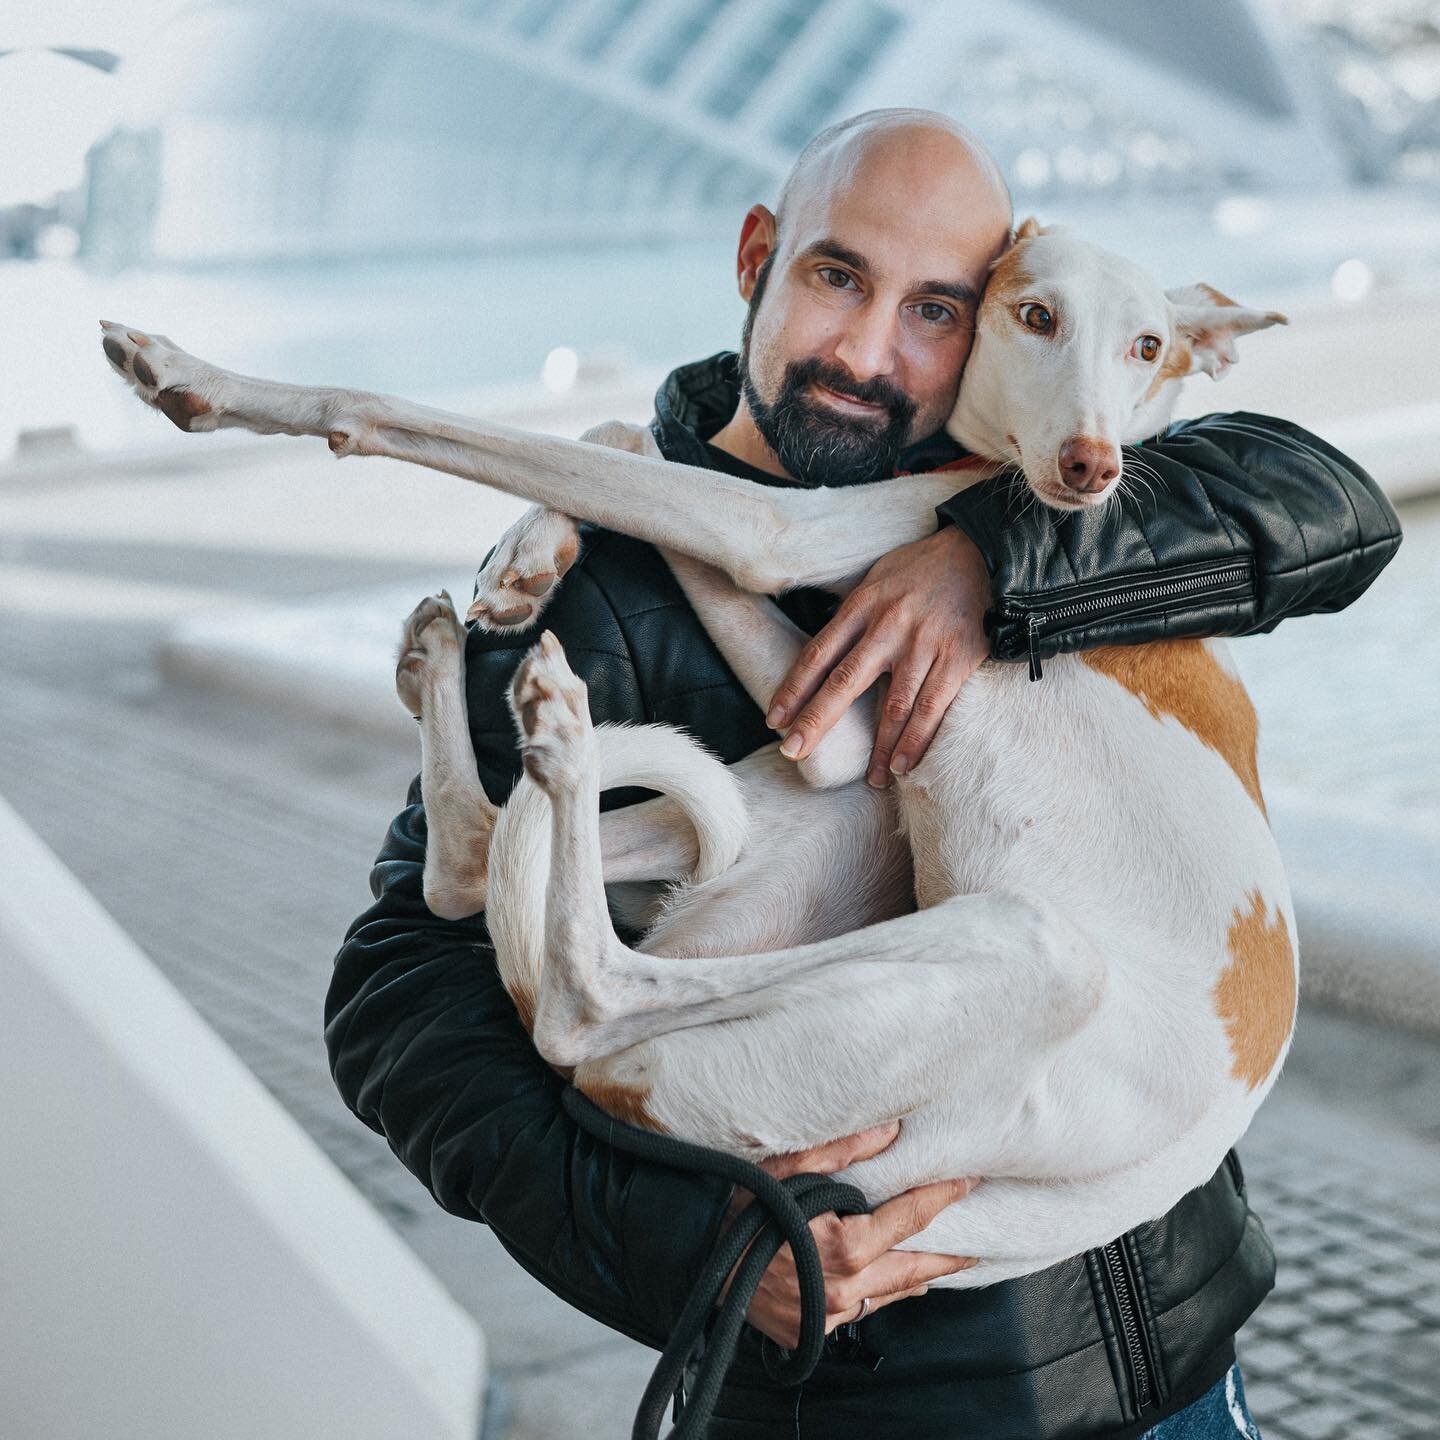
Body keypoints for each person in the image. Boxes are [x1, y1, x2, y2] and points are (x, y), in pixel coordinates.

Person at [326, 110, 1401, 1437]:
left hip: (1174, 1374)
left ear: (996, 317)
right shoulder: (596, 581)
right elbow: (399, 992)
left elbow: (1332, 508)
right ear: (757, 255)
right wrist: (693, 1254)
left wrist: (994, 563)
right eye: (840, 278)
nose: (872, 353)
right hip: (872, 1403)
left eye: (938, 308)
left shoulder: (1040, 492)